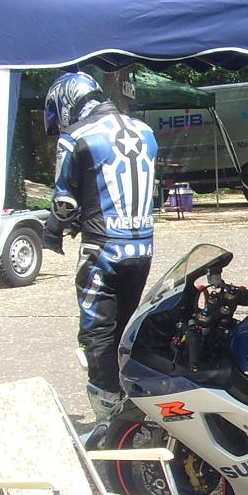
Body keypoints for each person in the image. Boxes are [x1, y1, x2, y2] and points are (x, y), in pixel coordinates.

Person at [40, 71, 158, 422]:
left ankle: (107, 416)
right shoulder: (145, 131)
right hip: (142, 247)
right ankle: (131, 402)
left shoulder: (77, 135)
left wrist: (52, 233)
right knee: (126, 328)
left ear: (66, 101)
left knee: (98, 332)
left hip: (103, 249)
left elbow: (64, 202)